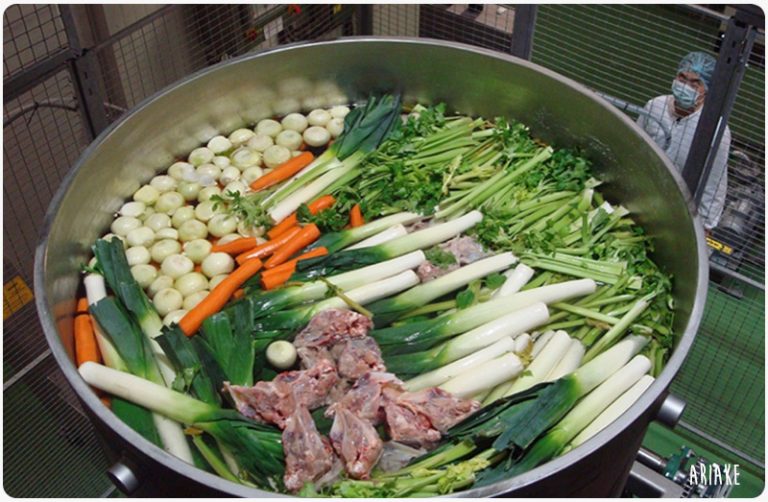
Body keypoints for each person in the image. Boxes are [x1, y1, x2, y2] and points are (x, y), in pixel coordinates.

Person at [636, 51, 730, 231]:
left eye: (695, 83)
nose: (686, 86)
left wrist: (706, 225)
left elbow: (714, 182)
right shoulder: (656, 105)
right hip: (642, 193)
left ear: (707, 90)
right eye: (682, 78)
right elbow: (635, 147)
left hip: (679, 207)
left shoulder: (715, 128)